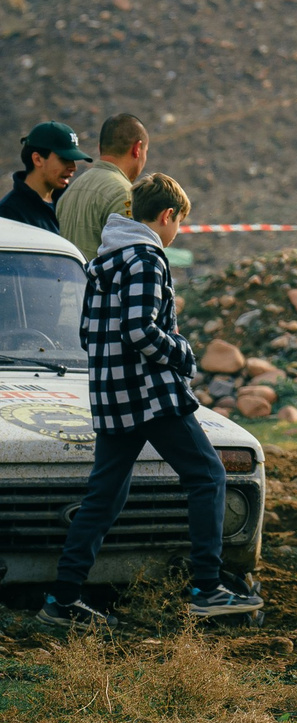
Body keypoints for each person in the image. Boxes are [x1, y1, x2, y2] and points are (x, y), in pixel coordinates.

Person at [41, 173, 264, 629]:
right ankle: (207, 587)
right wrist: (182, 353)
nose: (176, 231)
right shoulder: (146, 258)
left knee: (105, 497)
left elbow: (87, 334)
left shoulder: (104, 261)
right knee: (207, 475)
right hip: (150, 394)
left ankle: (61, 600)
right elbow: (141, 330)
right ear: (166, 216)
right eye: (178, 222)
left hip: (111, 395)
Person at [56, 113, 147, 260]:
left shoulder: (71, 190)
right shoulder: (124, 193)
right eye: (146, 151)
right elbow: (127, 262)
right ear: (137, 148)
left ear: (100, 148)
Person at [2, 121, 90, 234]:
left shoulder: (70, 205)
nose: (73, 167)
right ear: (37, 159)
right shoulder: (10, 214)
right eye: (64, 159)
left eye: (73, 160)